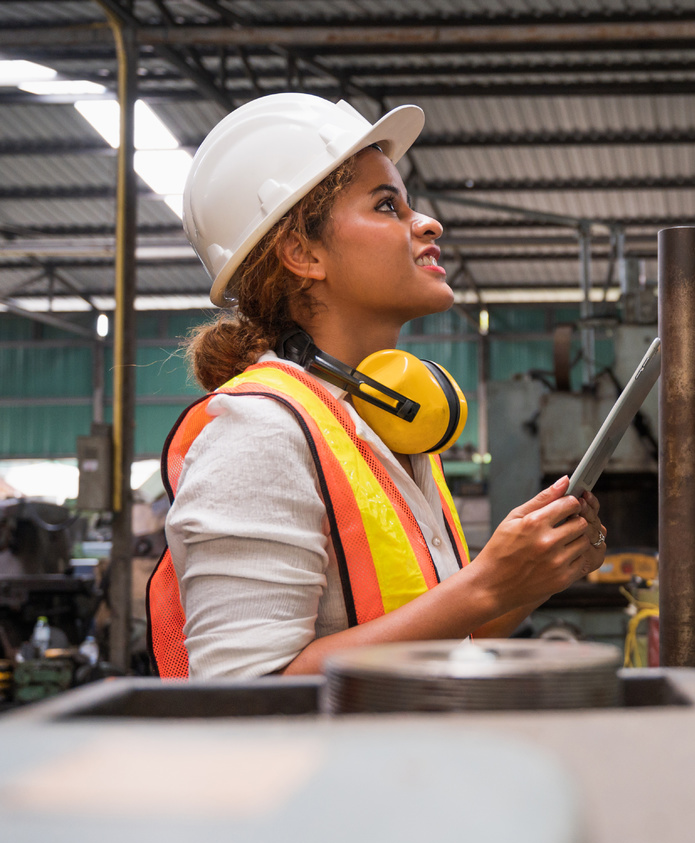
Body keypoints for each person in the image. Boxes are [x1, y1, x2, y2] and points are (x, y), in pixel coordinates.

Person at [147, 94, 607, 678]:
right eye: (387, 206)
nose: (429, 224)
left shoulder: (386, 425)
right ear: (302, 252)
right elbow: (244, 695)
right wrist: (486, 585)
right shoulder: (261, 435)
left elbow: (439, 638)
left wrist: (527, 578)